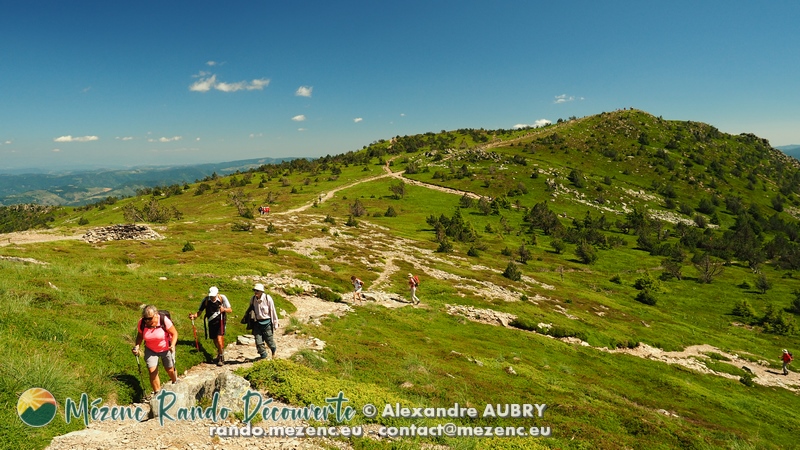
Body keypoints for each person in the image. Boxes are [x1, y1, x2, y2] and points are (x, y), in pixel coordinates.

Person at [132, 305, 178, 395]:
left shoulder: (163, 320)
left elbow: (174, 333)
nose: (147, 321)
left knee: (169, 369)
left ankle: (175, 382)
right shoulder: (142, 323)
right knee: (152, 371)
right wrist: (137, 346)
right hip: (151, 349)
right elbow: (140, 336)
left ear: (156, 315)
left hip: (166, 348)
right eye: (145, 319)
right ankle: (158, 394)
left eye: (150, 319)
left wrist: (172, 345)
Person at [189, 286, 232, 366]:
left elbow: (230, 309)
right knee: (215, 340)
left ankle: (221, 357)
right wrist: (193, 316)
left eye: (214, 296)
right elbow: (199, 312)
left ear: (217, 294)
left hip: (221, 322)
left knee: (219, 339)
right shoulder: (206, 300)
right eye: (211, 296)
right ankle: (220, 352)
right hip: (211, 322)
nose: (212, 297)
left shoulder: (222, 298)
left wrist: (224, 309)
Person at [249, 283, 279, 360]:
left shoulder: (267, 298)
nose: (256, 292)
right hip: (257, 323)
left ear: (261, 291)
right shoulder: (252, 299)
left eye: (257, 291)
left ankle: (274, 351)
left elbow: (272, 311)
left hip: (267, 323)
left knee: (269, 340)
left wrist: (275, 323)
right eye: (255, 290)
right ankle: (263, 355)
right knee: (258, 341)